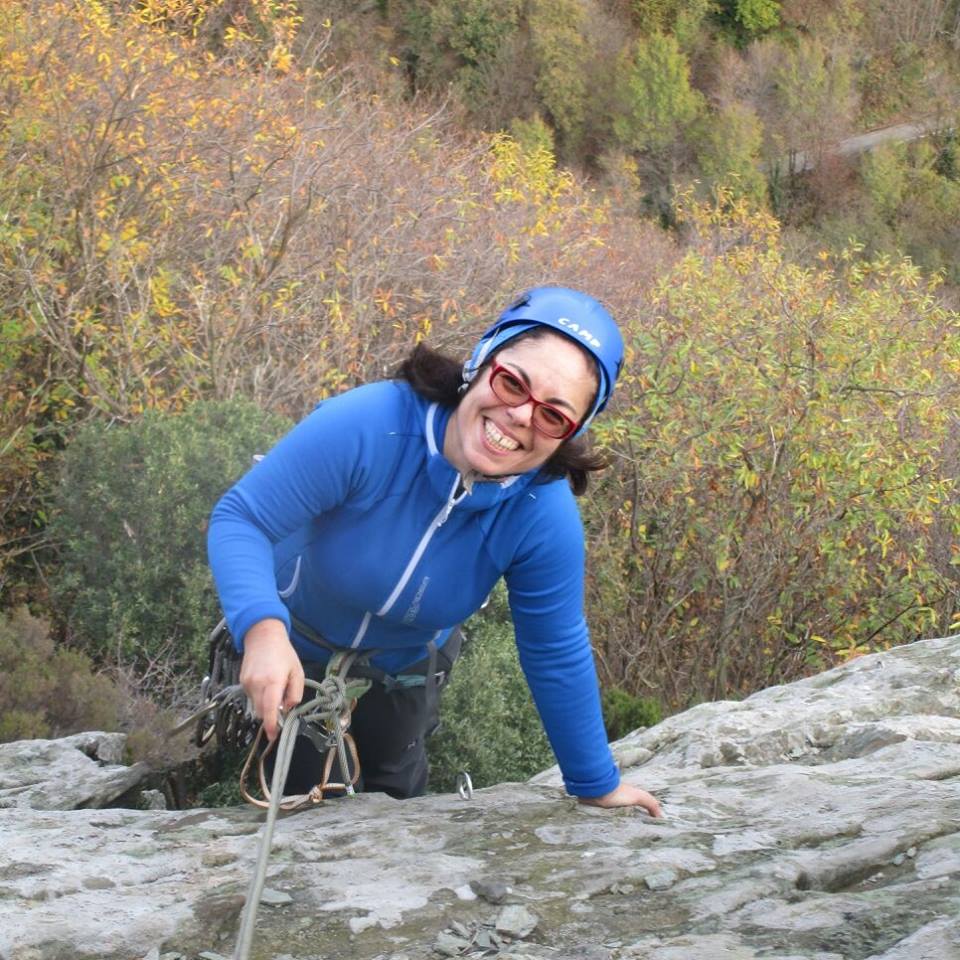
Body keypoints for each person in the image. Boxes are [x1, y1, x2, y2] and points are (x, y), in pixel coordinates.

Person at [207, 285, 661, 815]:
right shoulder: (373, 425)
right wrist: (262, 631)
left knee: (395, 795)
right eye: (513, 382)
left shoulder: (541, 514)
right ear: (479, 363)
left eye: (553, 416)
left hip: (406, 662)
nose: (520, 416)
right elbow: (244, 518)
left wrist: (595, 781)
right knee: (296, 800)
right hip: (296, 645)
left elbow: (554, 647)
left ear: (568, 435)